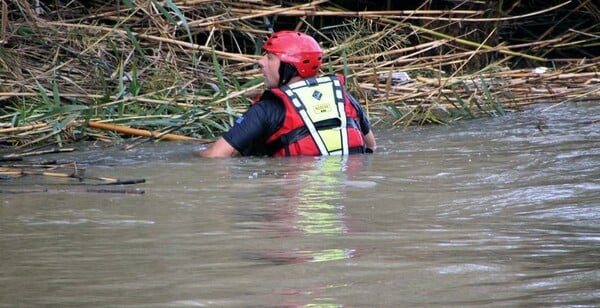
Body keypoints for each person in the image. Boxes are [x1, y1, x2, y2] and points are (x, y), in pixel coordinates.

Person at [198, 30, 376, 158]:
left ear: (289, 67)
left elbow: (215, 156)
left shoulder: (268, 108)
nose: (261, 62)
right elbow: (371, 147)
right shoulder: (343, 98)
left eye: (269, 58)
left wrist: (190, 156)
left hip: (291, 198)